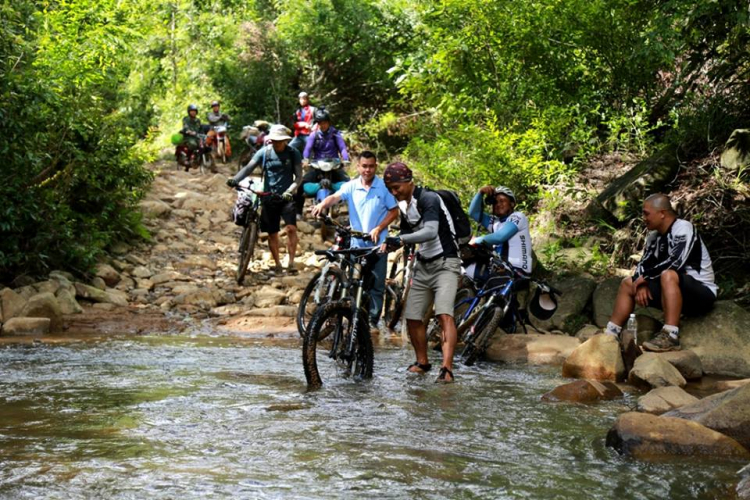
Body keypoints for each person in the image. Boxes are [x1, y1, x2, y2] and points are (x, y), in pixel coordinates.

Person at [603, 194, 718, 352]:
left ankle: (670, 335)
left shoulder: (683, 228)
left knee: (668, 274)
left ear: (662, 213)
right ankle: (610, 333)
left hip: (701, 293)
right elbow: (643, 265)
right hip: (671, 292)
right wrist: (640, 283)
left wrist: (645, 278)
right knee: (628, 284)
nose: (643, 218)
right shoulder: (653, 237)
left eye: (646, 213)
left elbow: (676, 262)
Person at [381, 162, 461, 383]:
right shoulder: (404, 206)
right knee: (413, 316)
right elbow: (408, 233)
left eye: (397, 187)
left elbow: (430, 231)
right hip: (423, 264)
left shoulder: (429, 199)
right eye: (390, 189)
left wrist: (401, 239)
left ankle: (447, 368)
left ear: (409, 182)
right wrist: (391, 244)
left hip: (446, 262)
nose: (394, 192)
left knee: (444, 314)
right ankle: (423, 362)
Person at [311, 151, 400, 331]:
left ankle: (373, 322)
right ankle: (353, 317)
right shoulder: (351, 186)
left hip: (378, 244)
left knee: (376, 284)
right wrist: (322, 204)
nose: (368, 170)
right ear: (358, 167)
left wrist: (379, 228)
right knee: (355, 281)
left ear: (376, 166)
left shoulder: (384, 187)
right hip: (356, 243)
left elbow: (394, 211)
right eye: (364, 166)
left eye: (371, 166)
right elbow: (335, 197)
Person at [226, 125, 302, 275]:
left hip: (287, 196)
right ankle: (278, 264)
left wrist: (290, 190)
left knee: (291, 229)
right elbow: (248, 168)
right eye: (274, 141)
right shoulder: (264, 153)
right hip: (268, 196)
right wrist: (235, 179)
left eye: (280, 141)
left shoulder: (293, 153)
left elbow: (299, 177)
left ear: (285, 141)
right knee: (272, 232)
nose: (277, 143)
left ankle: (291, 262)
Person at [467, 185, 533, 276]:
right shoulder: (495, 223)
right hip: (501, 268)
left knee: (468, 270)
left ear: (512, 204)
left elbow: (499, 237)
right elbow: (473, 213)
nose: (498, 204)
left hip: (517, 270)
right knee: (466, 269)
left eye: (502, 201)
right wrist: (480, 193)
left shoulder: (518, 216)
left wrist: (475, 241)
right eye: (495, 202)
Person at [299, 108, 350, 213]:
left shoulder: (335, 134)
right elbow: (307, 149)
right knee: (301, 185)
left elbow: (342, 148)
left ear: (329, 122)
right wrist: (305, 159)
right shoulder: (314, 135)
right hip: (317, 164)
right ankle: (298, 212)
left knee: (350, 184)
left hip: (334, 164)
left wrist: (345, 159)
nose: (323, 125)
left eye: (325, 122)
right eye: (320, 123)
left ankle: (352, 212)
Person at [176, 104, 202, 170]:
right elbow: (185, 126)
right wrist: (189, 131)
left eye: (194, 111)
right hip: (188, 137)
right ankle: (188, 158)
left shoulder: (198, 120)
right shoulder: (186, 119)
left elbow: (200, 128)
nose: (193, 112)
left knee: (203, 145)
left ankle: (198, 159)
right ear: (189, 112)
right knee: (193, 144)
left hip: (196, 136)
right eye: (191, 111)